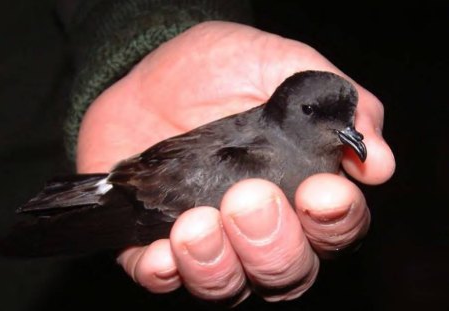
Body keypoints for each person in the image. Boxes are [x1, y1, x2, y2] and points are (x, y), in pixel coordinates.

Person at [58, 0, 395, 305]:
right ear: (286, 109)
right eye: (311, 111)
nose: (349, 133)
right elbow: (154, 199)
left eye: (347, 121)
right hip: (136, 195)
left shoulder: (311, 144)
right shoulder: (261, 161)